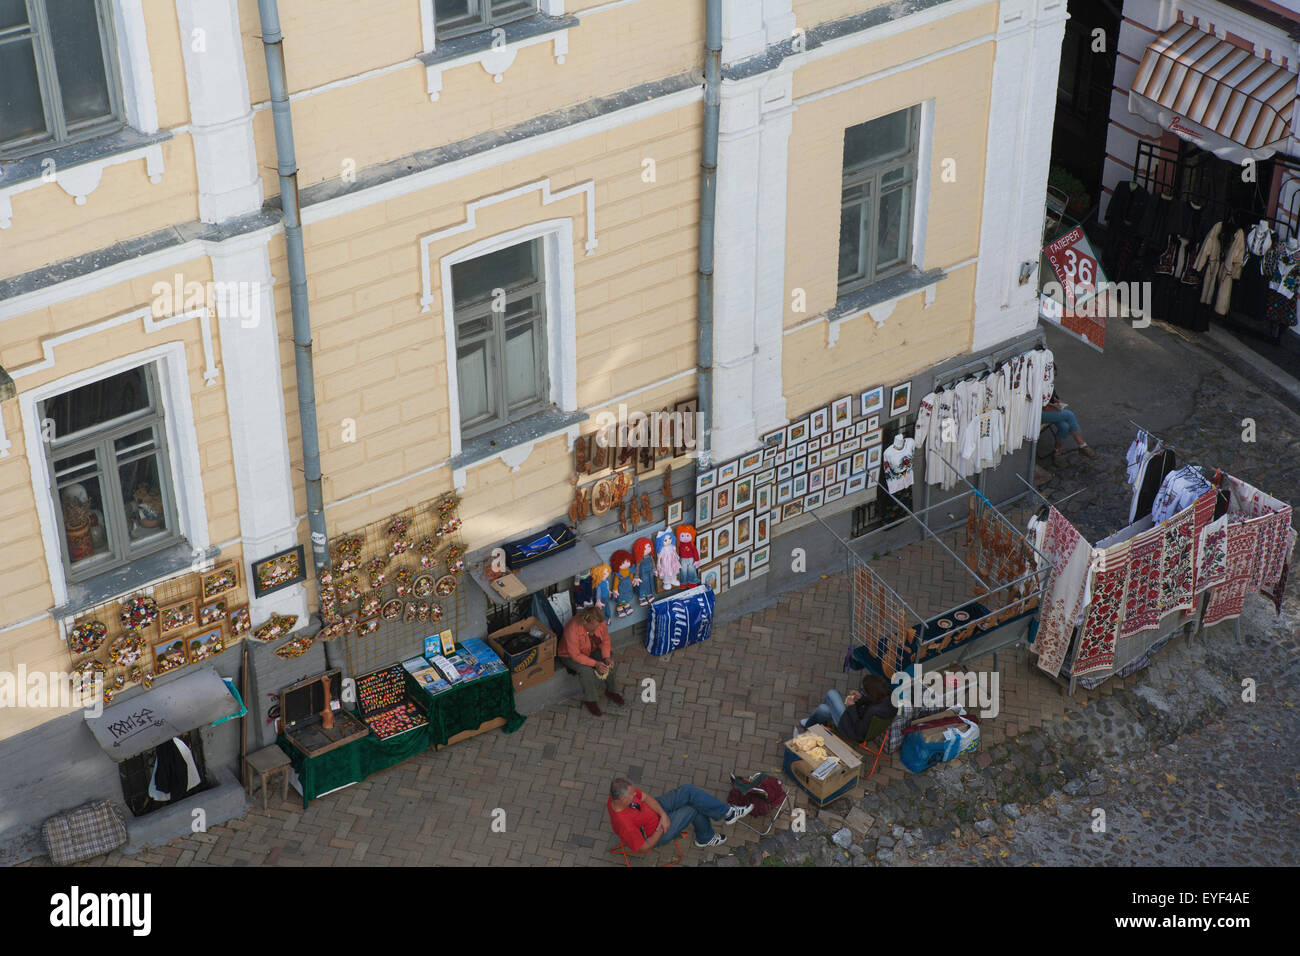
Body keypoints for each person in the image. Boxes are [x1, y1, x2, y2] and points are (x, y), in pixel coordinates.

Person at [607, 777, 753, 850]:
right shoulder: (625, 825)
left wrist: (663, 814)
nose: (635, 795)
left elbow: (645, 797)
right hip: (656, 832)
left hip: (657, 810)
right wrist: (661, 827)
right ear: (623, 799)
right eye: (632, 795)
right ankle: (705, 837)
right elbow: (644, 845)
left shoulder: (619, 796)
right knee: (693, 809)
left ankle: (728, 813)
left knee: (688, 791)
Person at [559, 606, 625, 717]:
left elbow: (605, 641)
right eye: (593, 628)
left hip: (590, 649)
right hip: (569, 656)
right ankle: (590, 700)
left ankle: (612, 691)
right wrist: (595, 664)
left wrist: (606, 657)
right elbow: (575, 655)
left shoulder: (600, 621)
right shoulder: (571, 628)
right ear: (585, 622)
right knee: (586, 671)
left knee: (609, 661)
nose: (596, 629)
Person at [800, 674, 897, 746]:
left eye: (866, 690)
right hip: (865, 725)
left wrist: (852, 706)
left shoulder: (873, 711)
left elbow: (859, 730)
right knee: (823, 709)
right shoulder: (890, 697)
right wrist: (861, 698)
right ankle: (813, 724)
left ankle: (811, 724)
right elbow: (875, 701)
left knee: (831, 693)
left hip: (852, 731)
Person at [1042, 392, 1098, 468]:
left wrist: (1056, 400)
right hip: (1036, 414)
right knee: (1069, 415)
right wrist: (1052, 407)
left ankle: (1056, 452)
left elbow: (1050, 392)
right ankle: (1083, 446)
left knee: (1065, 427)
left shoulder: (1046, 384)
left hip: (1049, 407)